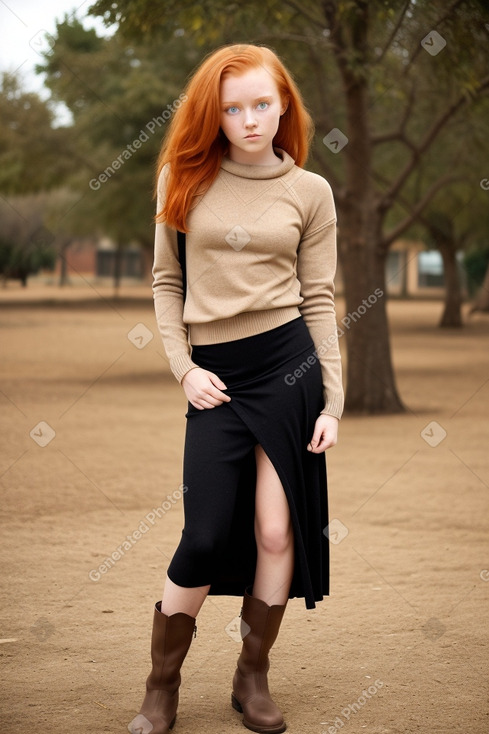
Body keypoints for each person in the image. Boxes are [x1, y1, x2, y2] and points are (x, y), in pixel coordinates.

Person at [128, 43, 344, 734]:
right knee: (204, 534)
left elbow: (318, 300)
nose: (248, 119)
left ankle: (252, 678)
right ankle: (161, 685)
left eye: (260, 104)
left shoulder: (311, 192)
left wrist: (332, 401)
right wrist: (184, 368)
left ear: (283, 105)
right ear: (212, 114)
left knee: (277, 533)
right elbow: (167, 284)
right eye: (231, 108)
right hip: (215, 378)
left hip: (288, 371)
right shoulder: (180, 179)